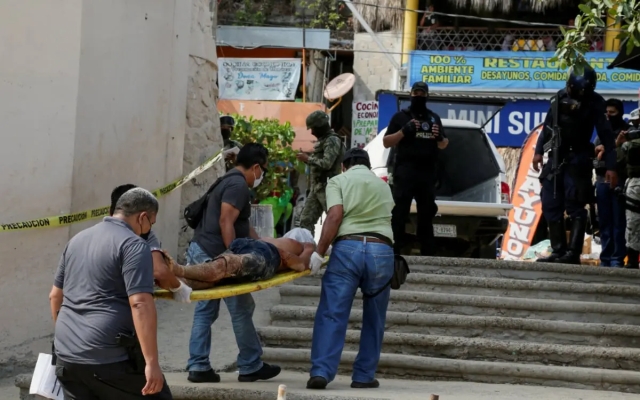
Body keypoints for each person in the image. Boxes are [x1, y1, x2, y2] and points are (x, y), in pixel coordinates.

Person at [49, 188, 172, 399]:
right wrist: (152, 363)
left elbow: (55, 296)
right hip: (108, 359)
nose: (149, 228)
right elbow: (140, 304)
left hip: (66, 355)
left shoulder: (77, 240)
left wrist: (71, 338)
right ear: (142, 217)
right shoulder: (134, 245)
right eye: (150, 222)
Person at [186, 143, 281, 383]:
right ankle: (250, 365)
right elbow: (226, 221)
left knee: (206, 310)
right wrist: (233, 258)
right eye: (263, 171)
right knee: (241, 308)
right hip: (215, 254)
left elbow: (242, 224)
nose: (262, 176)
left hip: (202, 250)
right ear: (256, 167)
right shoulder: (238, 184)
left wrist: (262, 247)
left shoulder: (227, 179)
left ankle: (198, 366)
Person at [306, 148, 395, 390]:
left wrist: (319, 252)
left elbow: (335, 216)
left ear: (344, 166)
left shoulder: (338, 181)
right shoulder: (383, 186)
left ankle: (321, 372)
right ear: (367, 166)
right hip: (382, 251)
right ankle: (364, 376)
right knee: (375, 317)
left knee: (332, 311)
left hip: (348, 249)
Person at [533, 66, 618, 265]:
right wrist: (538, 152)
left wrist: (611, 167)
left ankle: (572, 254)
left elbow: (606, 136)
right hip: (556, 158)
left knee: (575, 204)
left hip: (579, 159)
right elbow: (547, 127)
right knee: (550, 203)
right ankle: (558, 251)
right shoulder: (558, 98)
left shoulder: (596, 103)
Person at [383, 81, 449, 256]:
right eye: (416, 93)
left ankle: (427, 254)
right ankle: (394, 252)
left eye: (422, 94)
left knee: (426, 215)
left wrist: (440, 137)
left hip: (427, 173)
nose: (418, 96)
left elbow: (444, 144)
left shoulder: (434, 118)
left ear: (427, 96)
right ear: (411, 94)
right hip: (405, 172)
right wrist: (404, 131)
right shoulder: (400, 117)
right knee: (399, 213)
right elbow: (386, 142)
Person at [110, 184, 192, 302]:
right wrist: (178, 287)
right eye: (151, 222)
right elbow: (159, 271)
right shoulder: (142, 237)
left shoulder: (86, 238)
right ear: (142, 217)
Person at [159, 237, 315, 290]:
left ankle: (177, 272)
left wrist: (308, 249)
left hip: (268, 255)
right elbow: (302, 264)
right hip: (258, 251)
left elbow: (302, 265)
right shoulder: (295, 244)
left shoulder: (292, 247)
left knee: (216, 274)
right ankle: (174, 273)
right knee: (216, 274)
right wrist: (308, 249)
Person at [297, 110, 345, 236]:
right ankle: (308, 250)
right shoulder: (325, 140)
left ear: (320, 126)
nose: (312, 132)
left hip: (328, 188)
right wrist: (308, 159)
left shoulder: (332, 140)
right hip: (318, 188)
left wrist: (308, 159)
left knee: (334, 222)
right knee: (305, 221)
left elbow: (327, 163)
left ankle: (339, 250)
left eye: (313, 128)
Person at [593, 99, 628, 267]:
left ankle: (617, 258)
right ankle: (606, 258)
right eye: (606, 113)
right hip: (601, 182)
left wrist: (607, 150)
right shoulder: (602, 132)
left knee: (618, 223)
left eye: (612, 113)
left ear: (619, 113)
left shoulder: (628, 131)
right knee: (605, 222)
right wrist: (609, 148)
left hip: (620, 182)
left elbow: (624, 157)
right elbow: (595, 156)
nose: (608, 116)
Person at [618, 129, 640, 268]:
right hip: (634, 183)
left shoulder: (631, 143)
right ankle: (632, 260)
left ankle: (632, 260)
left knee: (633, 224)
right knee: (633, 223)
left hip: (635, 184)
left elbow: (619, 159)